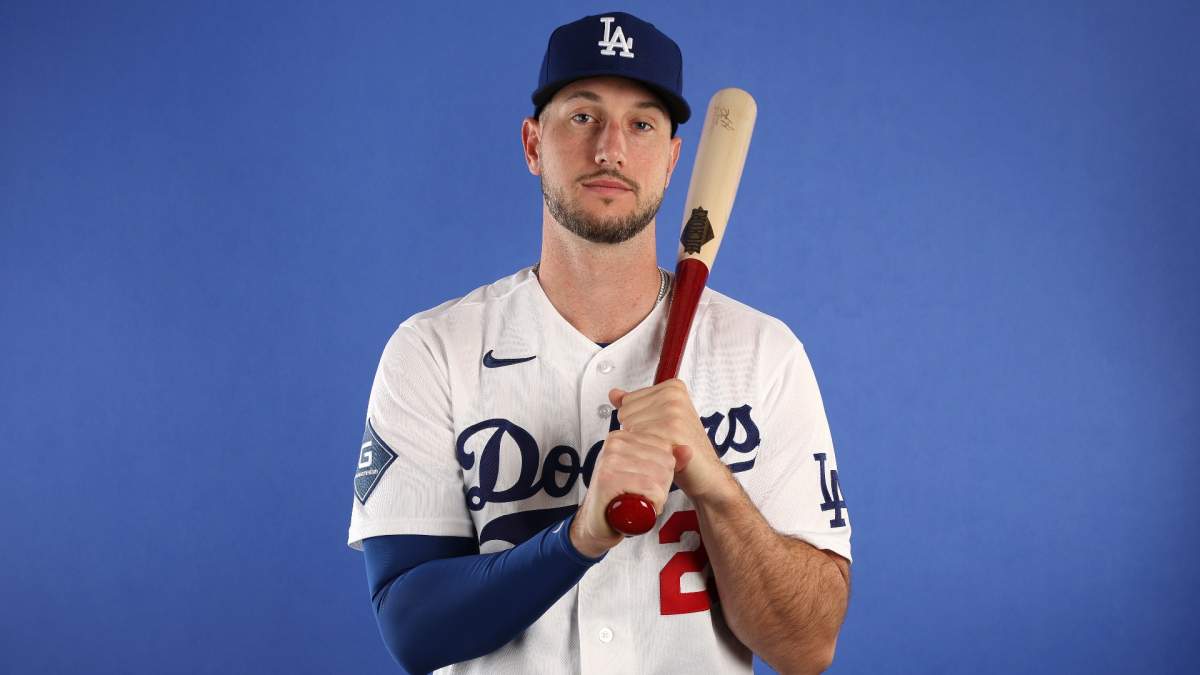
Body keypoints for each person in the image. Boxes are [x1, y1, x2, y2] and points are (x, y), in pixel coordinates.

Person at [347, 11, 851, 674]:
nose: (610, 149)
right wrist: (576, 538)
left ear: (673, 161)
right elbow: (414, 627)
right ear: (533, 144)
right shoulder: (434, 350)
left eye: (642, 124)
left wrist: (715, 486)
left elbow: (806, 647)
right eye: (583, 116)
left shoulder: (763, 353)